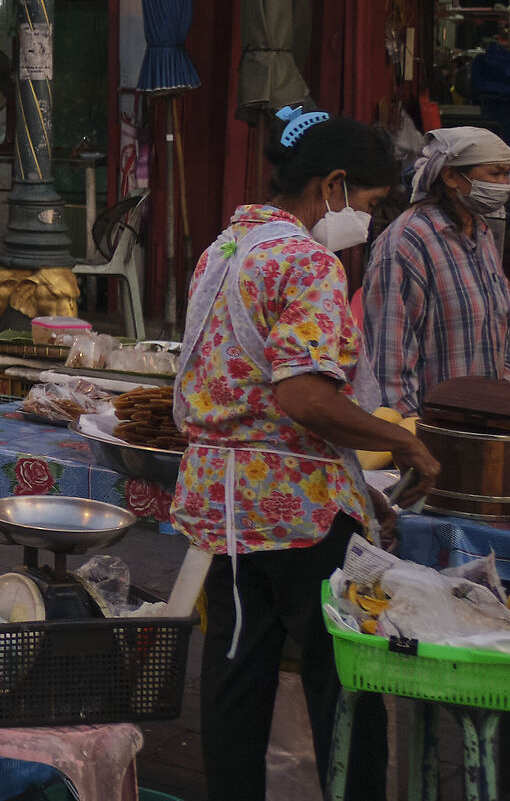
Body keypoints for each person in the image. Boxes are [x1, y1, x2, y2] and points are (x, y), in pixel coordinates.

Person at [172, 106, 438, 801]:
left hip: (223, 503)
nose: (370, 224)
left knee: (236, 671)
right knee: (340, 681)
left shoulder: (226, 248)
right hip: (295, 512)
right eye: (372, 206)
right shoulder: (307, 260)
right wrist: (404, 441)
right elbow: (306, 399)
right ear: (335, 185)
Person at [357, 126, 510, 418]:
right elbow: (391, 363)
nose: (503, 184)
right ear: (451, 176)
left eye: (507, 173)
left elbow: (499, 337)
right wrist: (409, 439)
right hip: (432, 435)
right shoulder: (407, 243)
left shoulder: (481, 234)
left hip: (483, 426)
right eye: (494, 173)